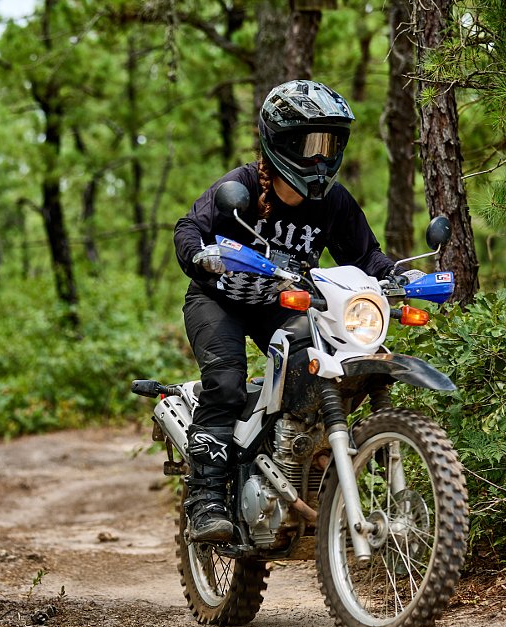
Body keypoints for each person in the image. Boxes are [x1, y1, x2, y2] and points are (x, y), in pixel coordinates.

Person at [173, 79, 421, 543]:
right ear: (281, 141)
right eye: (311, 143)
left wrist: (397, 278)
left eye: (331, 144)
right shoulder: (240, 187)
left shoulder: (334, 201)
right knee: (225, 384)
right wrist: (200, 255)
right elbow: (190, 227)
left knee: (321, 371)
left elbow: (365, 255)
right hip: (219, 300)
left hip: (279, 305)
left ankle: (296, 462)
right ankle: (205, 498)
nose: (321, 158)